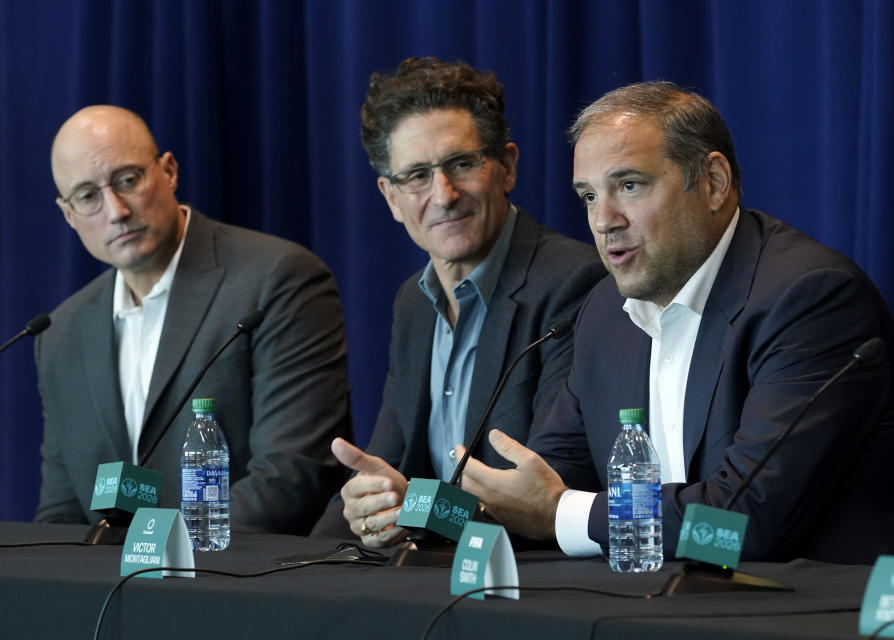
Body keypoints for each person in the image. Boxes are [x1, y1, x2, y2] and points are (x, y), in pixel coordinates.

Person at [459, 81, 894, 567]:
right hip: (696, 605)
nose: (602, 220)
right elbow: (546, 484)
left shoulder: (809, 298)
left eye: (629, 186)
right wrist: (428, 513)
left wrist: (565, 513)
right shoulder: (604, 314)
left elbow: (743, 524)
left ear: (714, 183)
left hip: (867, 611)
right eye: (588, 196)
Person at [312, 58, 605, 547]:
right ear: (390, 196)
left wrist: (418, 509)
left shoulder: (572, 284)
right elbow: (386, 462)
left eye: (461, 164)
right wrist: (356, 519)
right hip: (439, 581)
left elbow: (537, 500)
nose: (443, 195)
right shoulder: (413, 301)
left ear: (506, 166)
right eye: (417, 176)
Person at [36, 105, 352, 535]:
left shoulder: (277, 279)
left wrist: (158, 558)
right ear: (68, 214)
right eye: (88, 196)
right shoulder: (61, 332)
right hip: (108, 594)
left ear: (168, 172)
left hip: (243, 583)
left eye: (128, 180)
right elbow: (61, 514)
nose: (116, 211)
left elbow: (292, 475)